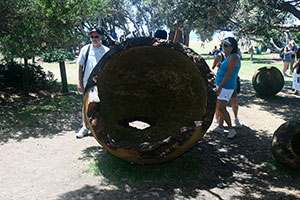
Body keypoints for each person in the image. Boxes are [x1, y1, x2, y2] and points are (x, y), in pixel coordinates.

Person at [76, 28, 110, 138]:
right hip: (87, 83)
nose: (94, 39)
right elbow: (80, 67)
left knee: (102, 104)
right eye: (92, 37)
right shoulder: (85, 50)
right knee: (85, 105)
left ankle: (101, 127)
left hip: (101, 83)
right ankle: (85, 127)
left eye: (96, 36)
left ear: (101, 37)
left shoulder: (106, 51)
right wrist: (80, 83)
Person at [212, 37, 241, 139]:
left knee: (221, 108)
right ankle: (220, 127)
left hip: (226, 86)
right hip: (223, 85)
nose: (223, 47)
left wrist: (220, 86)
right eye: (223, 45)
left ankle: (231, 129)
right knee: (220, 106)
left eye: (226, 45)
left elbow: (229, 74)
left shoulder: (233, 57)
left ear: (232, 47)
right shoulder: (228, 57)